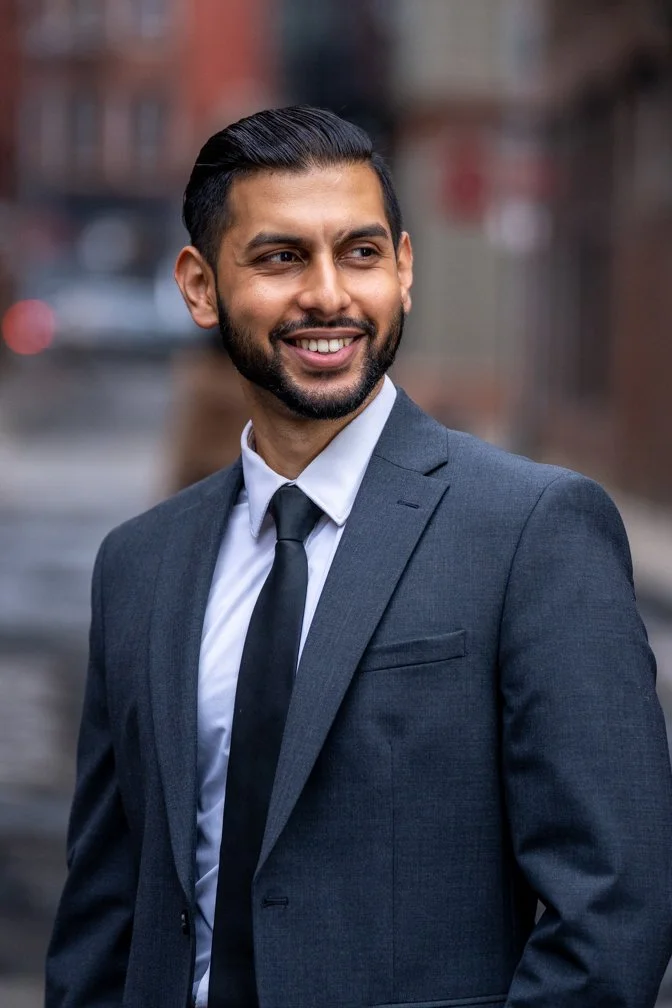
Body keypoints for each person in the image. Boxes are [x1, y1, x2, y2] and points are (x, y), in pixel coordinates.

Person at [45, 106, 672, 1008]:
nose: (330, 294)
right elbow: (104, 911)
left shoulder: (533, 530)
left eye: (362, 253)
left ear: (405, 270)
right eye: (280, 257)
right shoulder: (139, 564)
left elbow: (613, 905)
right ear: (199, 285)